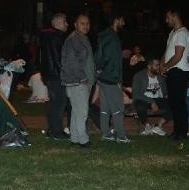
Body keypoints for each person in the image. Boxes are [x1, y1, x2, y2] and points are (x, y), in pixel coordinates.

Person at [61, 14, 95, 147]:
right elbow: (70, 63)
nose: (86, 26)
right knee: (82, 112)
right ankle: (83, 140)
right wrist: (82, 77)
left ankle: (75, 138)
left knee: (76, 111)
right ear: (75, 24)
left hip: (81, 80)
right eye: (82, 23)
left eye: (87, 23)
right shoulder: (74, 39)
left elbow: (86, 60)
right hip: (77, 81)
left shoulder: (82, 38)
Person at [95, 13, 130, 143]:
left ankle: (106, 133)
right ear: (116, 20)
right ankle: (121, 136)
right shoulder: (113, 37)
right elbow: (107, 57)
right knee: (118, 108)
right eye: (122, 20)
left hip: (103, 78)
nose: (124, 23)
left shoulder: (104, 35)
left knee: (105, 108)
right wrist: (114, 76)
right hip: (111, 77)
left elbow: (103, 55)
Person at [161, 9, 189, 141]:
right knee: (174, 103)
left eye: (168, 17)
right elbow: (167, 51)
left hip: (179, 72)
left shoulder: (182, 33)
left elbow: (178, 55)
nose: (166, 20)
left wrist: (167, 66)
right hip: (172, 71)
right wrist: (162, 63)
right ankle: (177, 131)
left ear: (175, 16)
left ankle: (182, 133)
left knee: (179, 103)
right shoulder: (172, 33)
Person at [39, 12, 70, 140]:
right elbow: (59, 58)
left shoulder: (46, 36)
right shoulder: (57, 37)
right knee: (60, 102)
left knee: (53, 103)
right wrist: (65, 73)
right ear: (57, 23)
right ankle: (57, 132)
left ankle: (52, 130)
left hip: (49, 74)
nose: (67, 24)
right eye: (65, 22)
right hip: (57, 75)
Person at [131, 57, 172, 135]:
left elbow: (165, 91)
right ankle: (147, 126)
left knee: (176, 104)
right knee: (139, 105)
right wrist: (152, 102)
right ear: (149, 66)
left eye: (159, 65)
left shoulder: (160, 77)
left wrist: (167, 95)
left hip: (158, 99)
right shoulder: (139, 76)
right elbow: (136, 93)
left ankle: (158, 126)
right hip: (144, 100)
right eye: (156, 65)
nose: (158, 67)